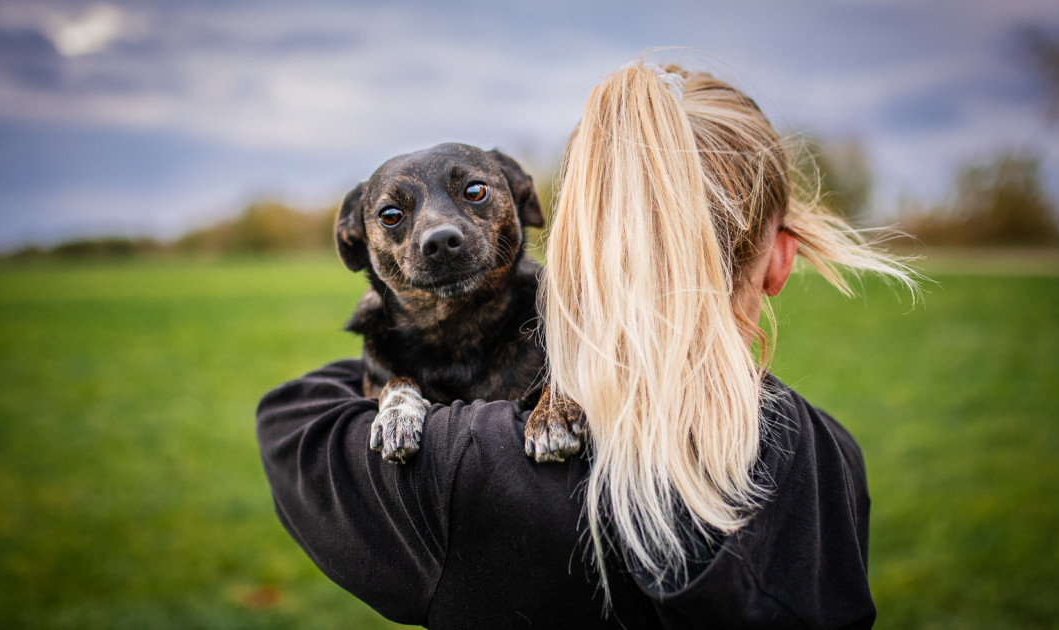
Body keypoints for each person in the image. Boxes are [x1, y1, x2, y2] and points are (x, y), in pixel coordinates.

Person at [257, 60, 917, 629]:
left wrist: (399, 354)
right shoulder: (829, 456)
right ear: (780, 261)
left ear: (563, 242)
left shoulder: (456, 469)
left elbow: (290, 418)